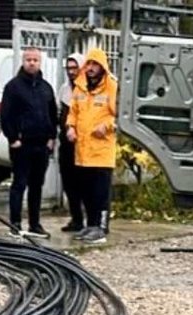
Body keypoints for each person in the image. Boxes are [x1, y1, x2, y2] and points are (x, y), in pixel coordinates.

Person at [0, 46, 58, 239]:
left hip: (42, 145)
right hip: (22, 145)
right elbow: (5, 115)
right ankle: (15, 223)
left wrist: (51, 137)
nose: (32, 63)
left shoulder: (46, 88)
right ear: (23, 62)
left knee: (36, 185)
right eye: (28, 59)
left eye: (35, 60)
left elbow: (52, 114)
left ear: (40, 62)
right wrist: (13, 138)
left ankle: (35, 224)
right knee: (19, 184)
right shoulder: (13, 87)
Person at [65, 48, 117, 245]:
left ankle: (101, 227)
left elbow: (119, 114)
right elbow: (73, 112)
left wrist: (107, 126)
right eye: (90, 64)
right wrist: (70, 127)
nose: (92, 68)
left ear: (103, 66)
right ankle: (90, 224)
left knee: (100, 193)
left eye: (96, 64)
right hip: (83, 151)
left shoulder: (111, 86)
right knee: (86, 191)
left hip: (102, 151)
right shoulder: (79, 87)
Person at [57, 53, 84, 233]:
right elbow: (59, 112)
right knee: (68, 182)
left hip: (83, 143)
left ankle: (91, 221)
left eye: (75, 68)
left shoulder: (87, 90)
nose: (72, 72)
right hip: (66, 142)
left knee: (84, 183)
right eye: (69, 69)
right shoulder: (64, 89)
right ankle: (76, 218)